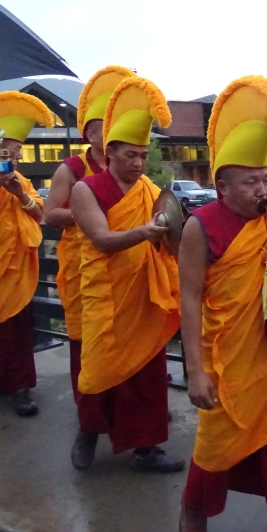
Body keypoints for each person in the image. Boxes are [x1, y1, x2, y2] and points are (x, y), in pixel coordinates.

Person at [179, 76, 267, 532]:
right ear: (221, 186)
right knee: (218, 441)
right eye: (250, 182)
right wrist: (195, 371)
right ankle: (193, 514)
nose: (263, 190)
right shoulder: (201, 227)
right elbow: (189, 297)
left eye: (265, 179)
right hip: (230, 356)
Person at [70, 76, 183, 473]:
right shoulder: (86, 189)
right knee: (99, 370)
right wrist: (144, 232)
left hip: (144, 295)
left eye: (142, 155)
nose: (138, 163)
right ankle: (87, 431)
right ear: (109, 153)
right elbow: (101, 240)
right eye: (130, 155)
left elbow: (172, 233)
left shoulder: (150, 189)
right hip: (106, 296)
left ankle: (146, 450)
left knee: (147, 375)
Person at [43, 67, 135, 450]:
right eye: (103, 125)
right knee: (90, 350)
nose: (110, 131)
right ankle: (89, 429)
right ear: (91, 133)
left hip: (130, 270)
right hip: (87, 270)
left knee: (135, 347)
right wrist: (93, 216)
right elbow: (50, 213)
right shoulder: (73, 168)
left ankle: (140, 437)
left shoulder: (130, 165)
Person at [0, 92, 52, 416]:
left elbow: (39, 214)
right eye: (10, 151)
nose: (15, 158)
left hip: (15, 267)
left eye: (17, 152)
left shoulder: (22, 182)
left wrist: (19, 193)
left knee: (17, 329)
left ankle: (21, 389)